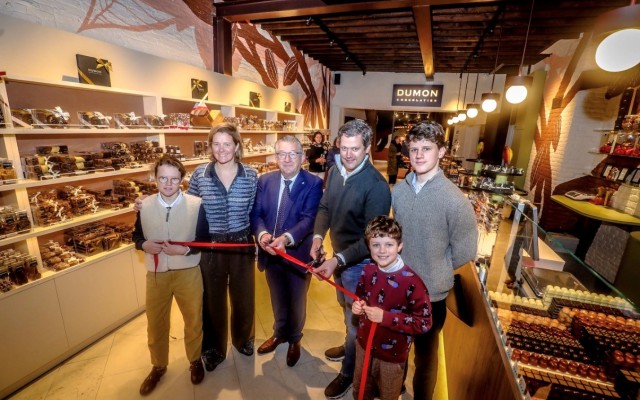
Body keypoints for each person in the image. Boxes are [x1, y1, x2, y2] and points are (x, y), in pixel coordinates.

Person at [391, 121, 478, 400]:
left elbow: (465, 252)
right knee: (397, 347)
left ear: (441, 152)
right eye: (414, 149)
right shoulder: (399, 191)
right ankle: (394, 389)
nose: (418, 155)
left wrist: (436, 270)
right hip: (398, 286)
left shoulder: (455, 200)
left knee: (425, 358)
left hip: (431, 295)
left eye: (426, 148)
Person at [311, 119, 392, 399]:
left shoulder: (376, 186)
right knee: (347, 313)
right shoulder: (335, 171)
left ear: (367, 148)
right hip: (340, 258)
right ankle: (348, 348)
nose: (348, 154)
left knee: (356, 321)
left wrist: (338, 260)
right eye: (343, 148)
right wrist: (318, 238)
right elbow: (325, 207)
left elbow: (373, 240)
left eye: (355, 149)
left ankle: (348, 372)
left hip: (360, 265)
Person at [132, 155, 209, 395]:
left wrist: (184, 250)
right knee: (156, 323)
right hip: (156, 275)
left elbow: (204, 240)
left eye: (174, 179)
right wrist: (143, 245)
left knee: (193, 320)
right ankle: (158, 365)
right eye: (163, 178)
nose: (168, 183)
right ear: (155, 179)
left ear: (182, 180)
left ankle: (194, 360)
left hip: (188, 272)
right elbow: (137, 236)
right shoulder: (144, 206)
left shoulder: (196, 205)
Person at [187, 123, 258, 371]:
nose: (221, 149)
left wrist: (258, 240)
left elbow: (254, 210)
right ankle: (214, 348)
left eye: (227, 143)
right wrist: (147, 203)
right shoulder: (200, 174)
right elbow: (189, 207)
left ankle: (243, 339)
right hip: (211, 246)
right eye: (216, 144)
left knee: (244, 297)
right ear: (210, 146)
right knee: (212, 300)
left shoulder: (250, 175)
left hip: (241, 243)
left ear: (237, 146)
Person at [250, 135, 323, 367]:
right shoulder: (265, 181)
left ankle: (295, 339)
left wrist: (286, 239)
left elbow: (309, 219)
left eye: (293, 153)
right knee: (277, 296)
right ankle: (279, 333)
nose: (287, 158)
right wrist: (262, 235)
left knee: (297, 300)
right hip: (270, 252)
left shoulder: (313, 183)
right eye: (282, 154)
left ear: (302, 157)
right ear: (276, 157)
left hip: (297, 253)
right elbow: (256, 214)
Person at [352, 216, 432, 400]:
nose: (382, 251)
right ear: (369, 246)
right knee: (361, 390)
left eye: (389, 244)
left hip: (392, 356)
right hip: (364, 346)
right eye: (376, 245)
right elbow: (360, 296)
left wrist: (385, 317)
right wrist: (359, 306)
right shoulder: (368, 271)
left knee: (388, 394)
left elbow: (424, 323)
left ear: (400, 246)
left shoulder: (413, 282)